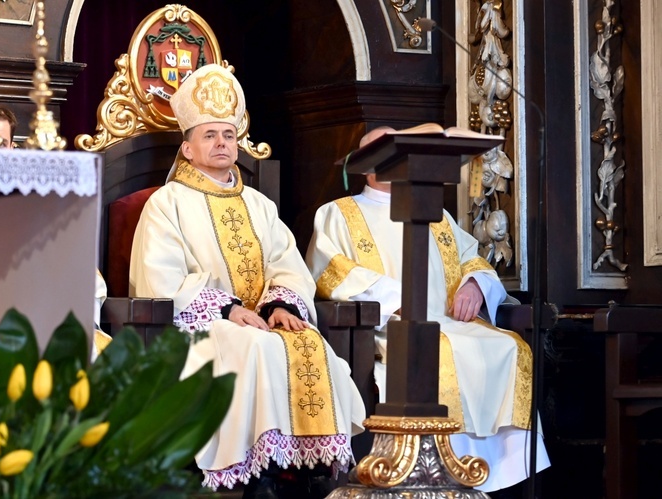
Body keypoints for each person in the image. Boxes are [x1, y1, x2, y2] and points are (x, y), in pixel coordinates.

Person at [129, 64, 365, 498]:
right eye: (209, 135)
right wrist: (228, 309)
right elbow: (160, 279)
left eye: (228, 135)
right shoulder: (167, 204)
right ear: (186, 148)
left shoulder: (259, 203)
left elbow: (286, 262)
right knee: (256, 347)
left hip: (261, 319)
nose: (221, 143)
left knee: (305, 342)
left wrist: (280, 304)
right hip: (200, 328)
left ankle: (295, 468)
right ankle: (259, 474)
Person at [305, 126, 550, 494]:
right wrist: (395, 297)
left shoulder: (436, 215)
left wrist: (474, 287)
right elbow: (329, 270)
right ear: (363, 165)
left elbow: (473, 259)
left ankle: (501, 476)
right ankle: (432, 474)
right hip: (389, 325)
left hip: (453, 320)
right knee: (435, 350)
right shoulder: (339, 213)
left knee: (511, 347)